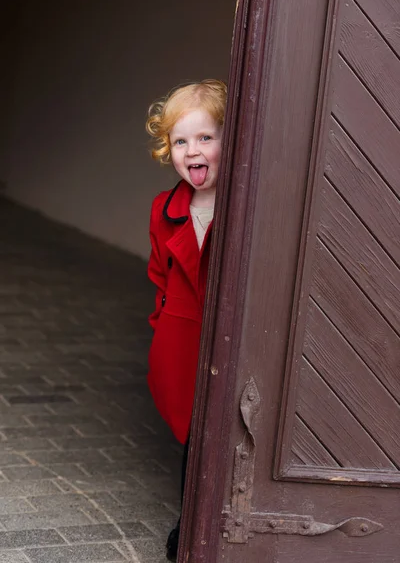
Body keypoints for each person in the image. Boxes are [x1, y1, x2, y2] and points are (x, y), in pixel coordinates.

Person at [146, 79, 227, 561]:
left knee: (225, 431)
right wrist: (162, 327)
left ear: (228, 142)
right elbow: (160, 271)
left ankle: (215, 519)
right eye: (180, 141)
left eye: (205, 138)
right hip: (183, 335)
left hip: (228, 336)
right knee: (193, 434)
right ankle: (190, 519)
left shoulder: (243, 205)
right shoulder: (165, 208)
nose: (192, 150)